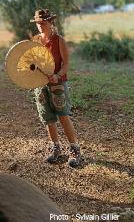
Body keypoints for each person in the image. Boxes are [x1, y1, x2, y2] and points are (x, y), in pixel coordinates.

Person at [30, 9, 80, 167]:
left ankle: (74, 149)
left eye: (43, 23)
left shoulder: (59, 40)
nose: (40, 26)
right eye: (38, 23)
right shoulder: (35, 40)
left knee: (64, 116)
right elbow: (32, 63)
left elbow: (66, 64)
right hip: (40, 85)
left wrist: (57, 75)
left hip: (58, 84)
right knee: (48, 118)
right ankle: (56, 147)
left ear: (51, 23)